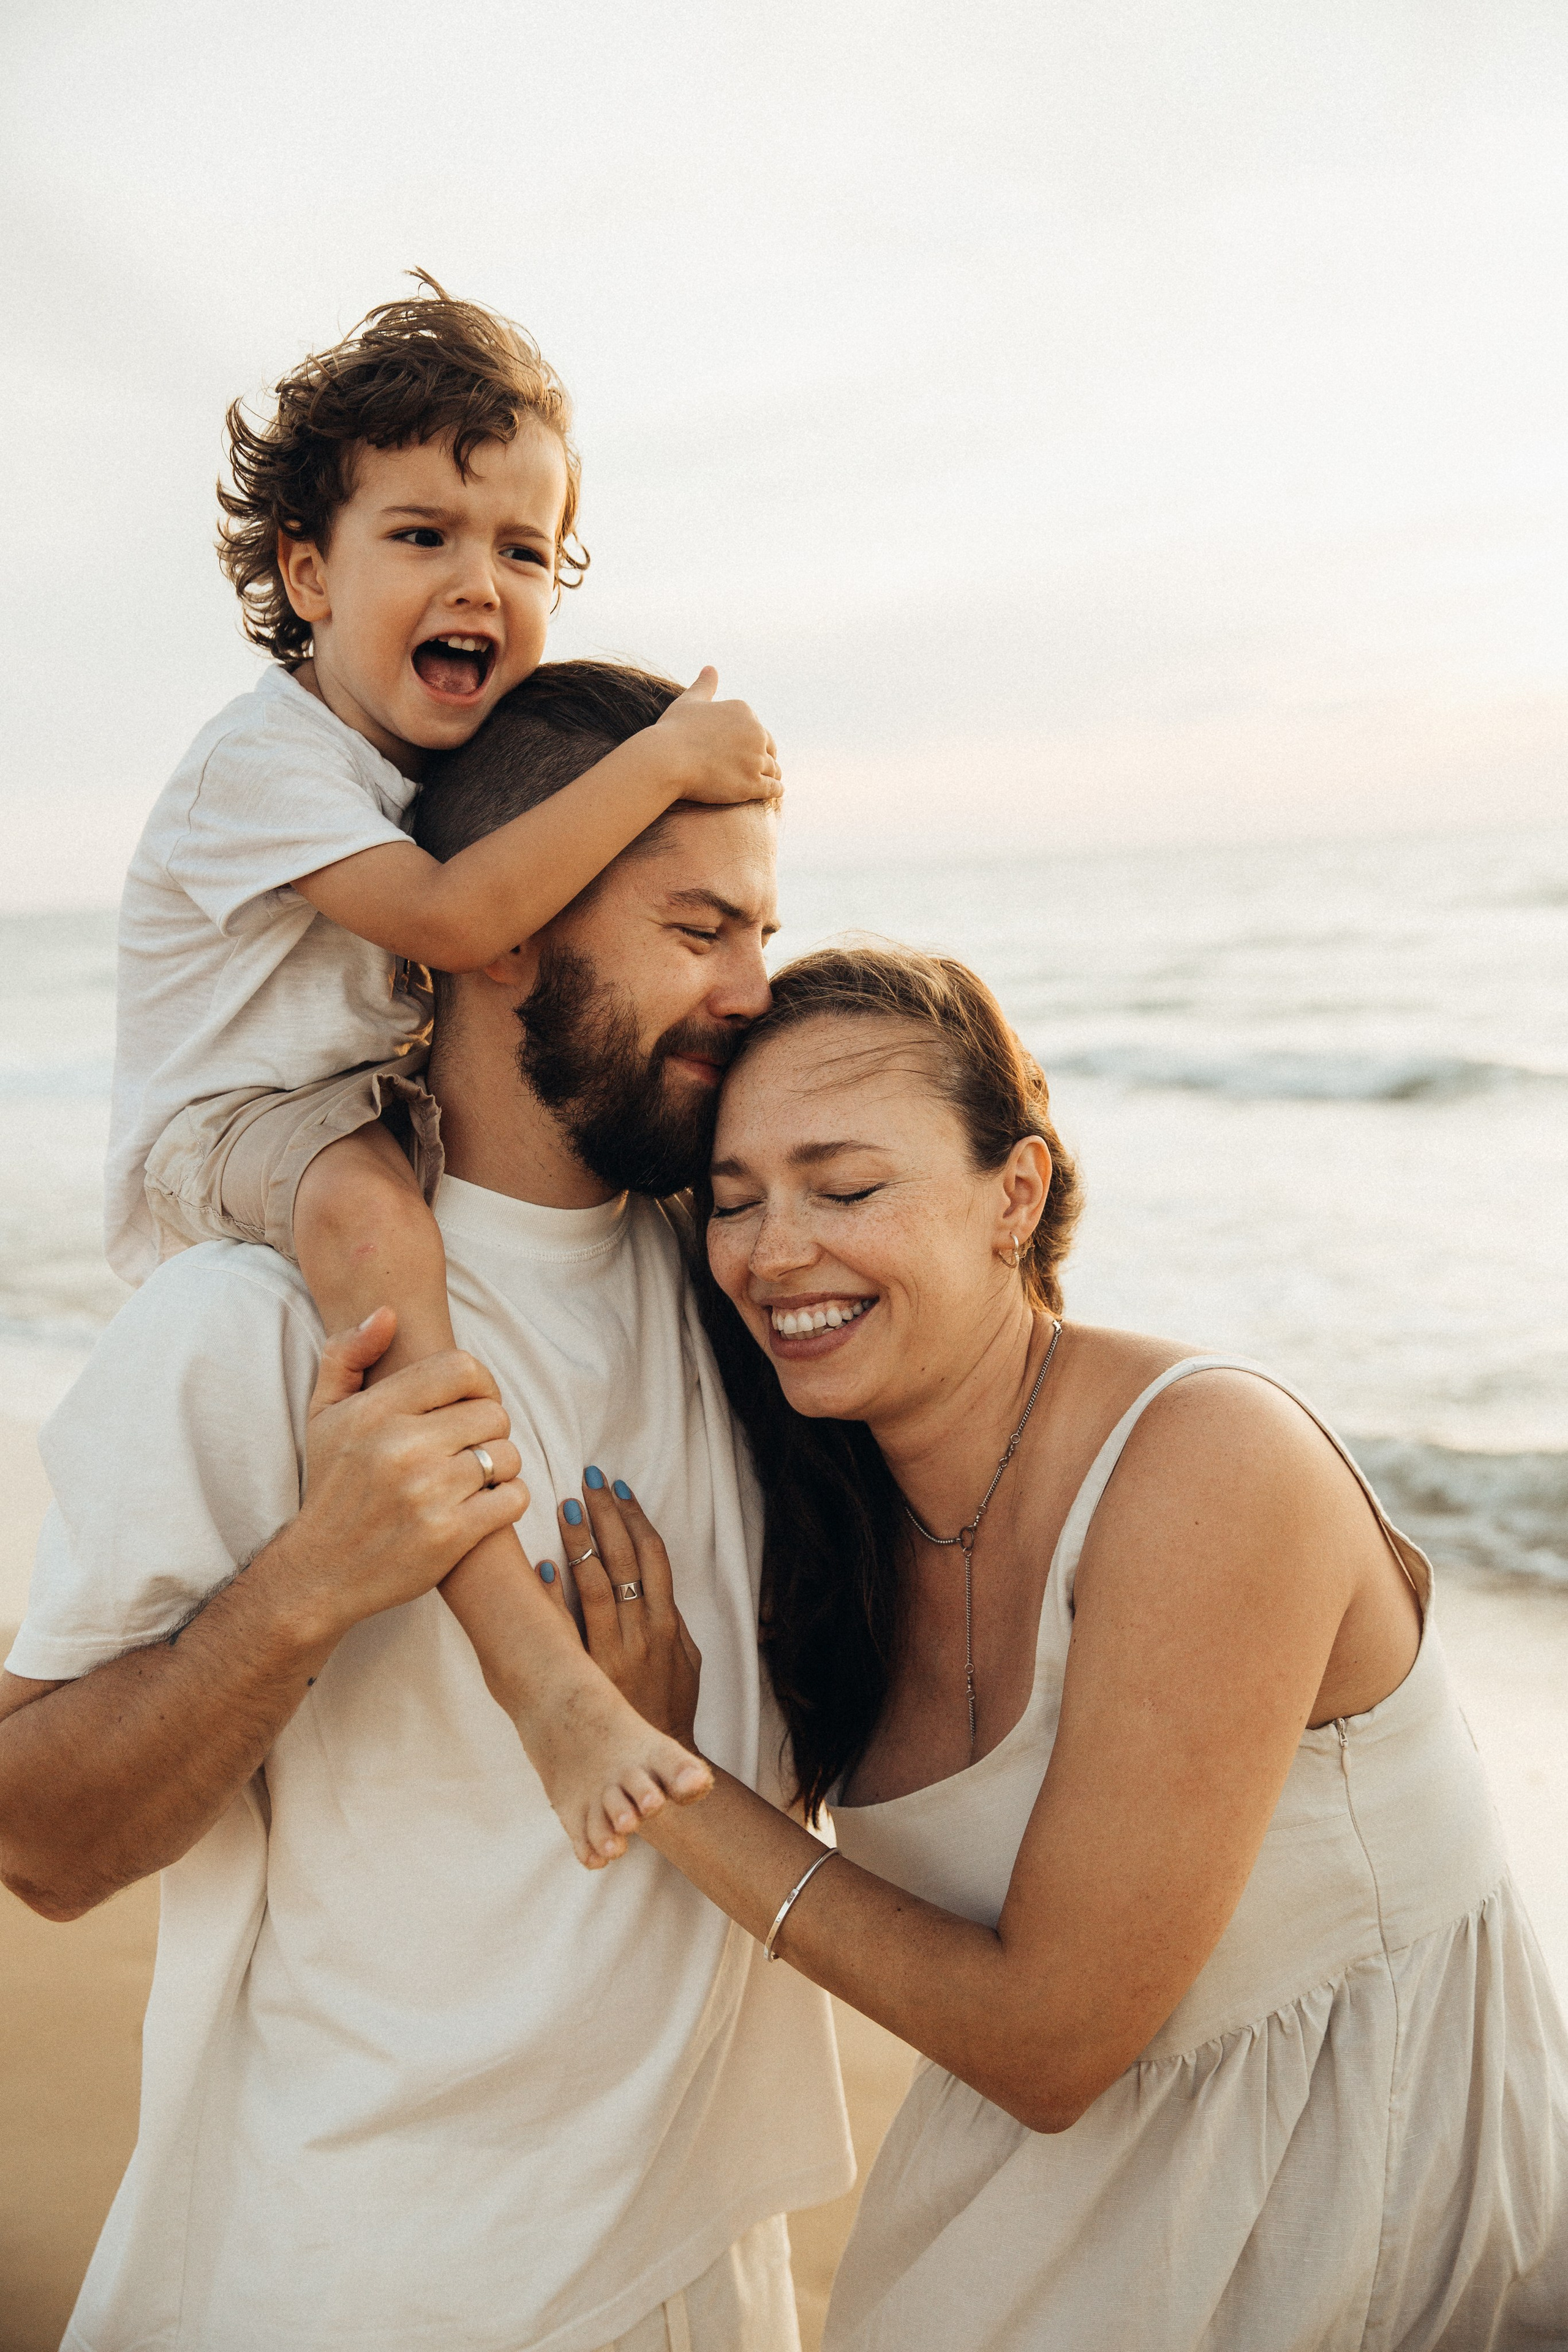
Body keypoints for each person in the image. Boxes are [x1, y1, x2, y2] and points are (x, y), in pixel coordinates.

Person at [503, 943, 1568, 2348]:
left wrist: (655, 1776)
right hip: (1015, 2239)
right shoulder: (821, 1523)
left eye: (846, 1187)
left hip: (1352, 2227)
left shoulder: (1203, 1462)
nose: (772, 1252)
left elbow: (1050, 2042)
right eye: (734, 1200)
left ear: (1014, 1192)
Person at [0, 665, 851, 2352]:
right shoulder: (247, 1328)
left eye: (763, 932)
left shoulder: (751, 1294)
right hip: (357, 2284)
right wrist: (316, 1579)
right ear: (505, 930)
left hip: (698, 2273)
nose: (755, 992)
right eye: (700, 928)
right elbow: (42, 1837)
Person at [106, 273, 782, 1845]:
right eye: (421, 536)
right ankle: (536, 1680)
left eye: (524, 550)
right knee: (370, 1224)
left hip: (368, 1100)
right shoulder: (266, 761)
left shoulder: (427, 769)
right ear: (306, 572)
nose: (479, 579)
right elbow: (474, 919)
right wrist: (664, 759)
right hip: (236, 1128)